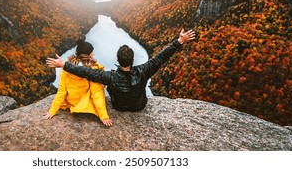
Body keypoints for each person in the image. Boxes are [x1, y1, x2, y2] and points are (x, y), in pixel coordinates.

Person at [46, 28, 196, 112]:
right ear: (132, 60)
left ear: (118, 61)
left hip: (118, 107)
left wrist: (64, 65)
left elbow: (86, 72)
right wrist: (179, 41)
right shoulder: (144, 70)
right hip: (139, 106)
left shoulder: (110, 77)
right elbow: (160, 58)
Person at [42, 39, 113, 126]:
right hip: (84, 103)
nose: (93, 54)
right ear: (87, 55)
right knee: (99, 85)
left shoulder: (66, 68)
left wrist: (52, 111)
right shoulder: (93, 69)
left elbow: (62, 91)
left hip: (71, 101)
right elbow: (96, 93)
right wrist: (104, 116)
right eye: (91, 52)